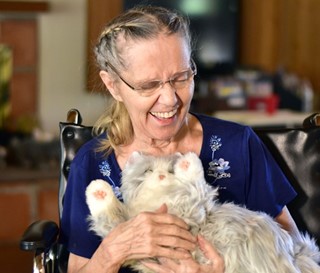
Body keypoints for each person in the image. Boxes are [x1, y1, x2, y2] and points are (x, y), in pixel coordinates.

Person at [60, 5, 300, 273]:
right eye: (149, 85)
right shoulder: (91, 163)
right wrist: (112, 251)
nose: (170, 99)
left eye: (181, 77)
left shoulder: (238, 145)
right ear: (113, 85)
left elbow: (292, 248)